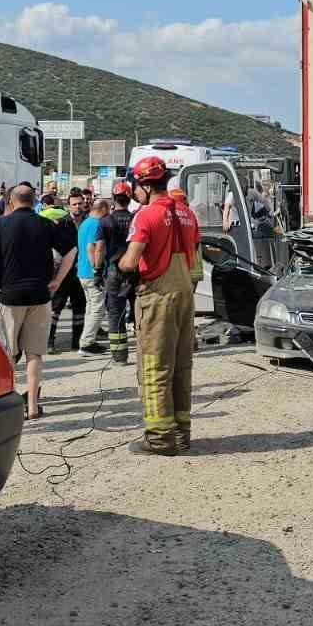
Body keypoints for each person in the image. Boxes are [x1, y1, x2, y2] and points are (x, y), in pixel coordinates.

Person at [118, 156, 200, 456]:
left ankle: (160, 438)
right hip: (184, 293)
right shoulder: (187, 213)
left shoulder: (146, 215)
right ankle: (181, 431)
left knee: (154, 366)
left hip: (157, 296)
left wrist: (122, 263)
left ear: (144, 185)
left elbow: (130, 260)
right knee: (181, 365)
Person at [0, 184, 76, 420]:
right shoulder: (45, 224)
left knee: (8, 355)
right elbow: (71, 251)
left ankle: (7, 403)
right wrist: (57, 280)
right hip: (40, 296)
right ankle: (32, 406)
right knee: (34, 355)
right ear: (33, 202)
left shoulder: (0, 224)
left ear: (11, 201)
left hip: (9, 297)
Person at [98, 181, 139, 366]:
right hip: (135, 271)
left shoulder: (105, 221)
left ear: (114, 199)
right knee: (139, 312)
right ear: (129, 199)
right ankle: (145, 350)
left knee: (115, 314)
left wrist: (97, 271)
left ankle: (119, 357)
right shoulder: (136, 219)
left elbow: (99, 249)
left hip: (113, 271)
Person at [48, 193, 88, 351]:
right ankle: (49, 340)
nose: (77, 207)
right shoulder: (61, 223)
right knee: (56, 306)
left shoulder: (88, 222)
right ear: (68, 206)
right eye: (74, 204)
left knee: (80, 306)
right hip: (64, 271)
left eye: (80, 204)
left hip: (82, 270)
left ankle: (76, 341)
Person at [74, 199, 111, 355]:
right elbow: (92, 248)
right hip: (91, 272)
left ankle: (87, 340)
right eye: (108, 209)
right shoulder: (96, 224)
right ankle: (87, 343)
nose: (109, 213)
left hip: (83, 272)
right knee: (97, 309)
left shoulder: (85, 223)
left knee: (91, 307)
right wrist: (97, 270)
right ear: (102, 209)